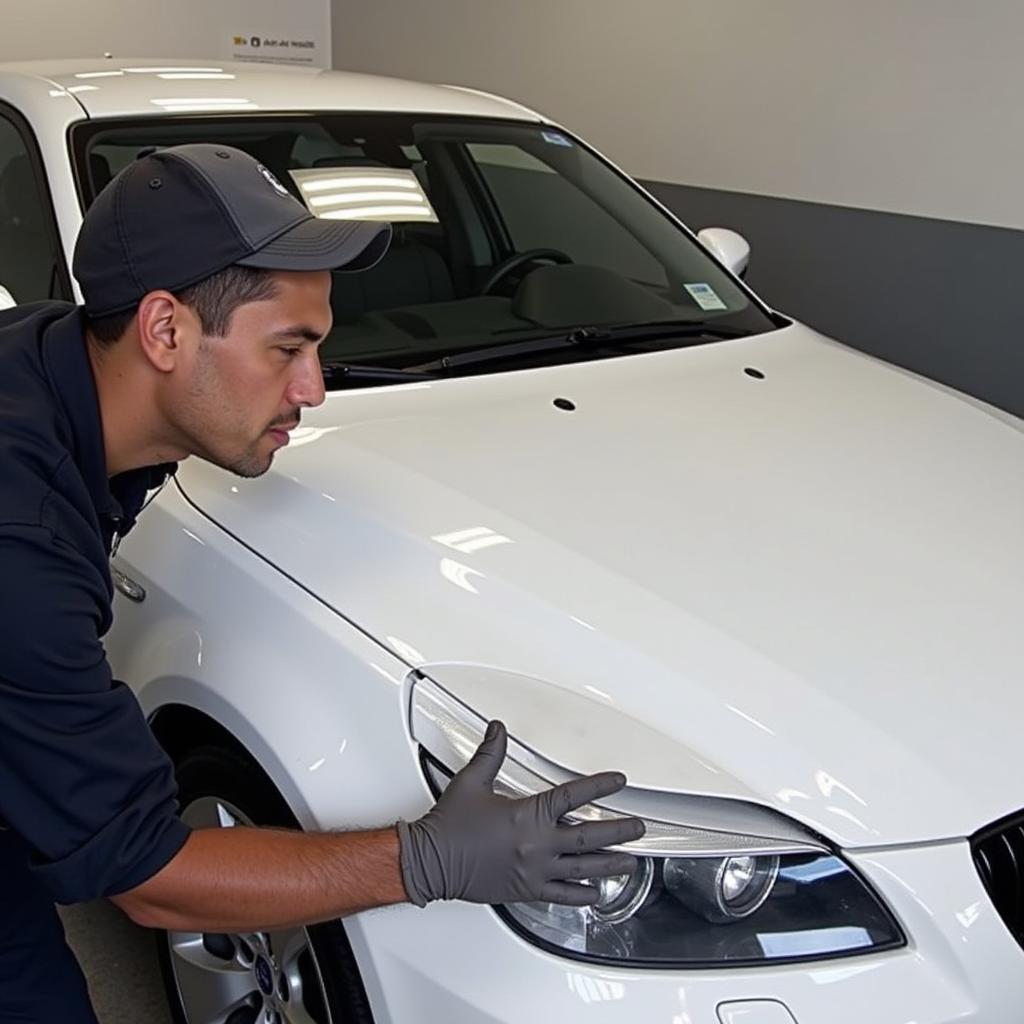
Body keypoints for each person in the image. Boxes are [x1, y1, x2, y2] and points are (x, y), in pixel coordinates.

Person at [0, 143, 645, 1023]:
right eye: (286, 350)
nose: (313, 389)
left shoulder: (55, 360)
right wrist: (423, 861)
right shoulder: (19, 542)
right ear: (163, 331)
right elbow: (149, 877)